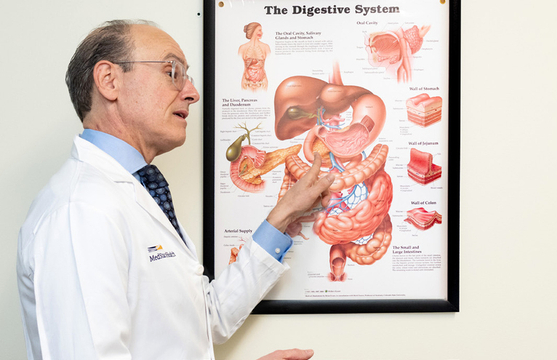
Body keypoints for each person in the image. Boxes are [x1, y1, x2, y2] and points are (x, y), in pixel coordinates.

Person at [16, 20, 332, 359]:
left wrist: (283, 215)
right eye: (172, 72)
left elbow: (198, 320)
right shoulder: (80, 209)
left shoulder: (138, 189)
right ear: (110, 81)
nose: (192, 93)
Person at [239, 22, 270, 91]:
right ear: (253, 30)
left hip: (262, 82)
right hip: (246, 82)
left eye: (261, 30)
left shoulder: (266, 47)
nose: (262, 33)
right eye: (259, 30)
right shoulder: (242, 48)